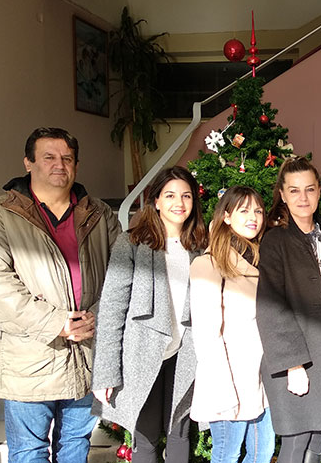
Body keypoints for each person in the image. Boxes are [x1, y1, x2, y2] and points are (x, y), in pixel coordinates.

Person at [0, 127, 120, 463]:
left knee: (76, 447)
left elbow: (122, 275)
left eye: (67, 158)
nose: (60, 164)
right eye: (49, 157)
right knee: (29, 453)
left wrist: (97, 316)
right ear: (28, 163)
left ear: (76, 165)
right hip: (31, 358)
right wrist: (58, 323)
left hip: (87, 357)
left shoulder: (100, 214)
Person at [91, 166, 207, 463]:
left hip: (187, 355)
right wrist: (106, 372)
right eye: (170, 195)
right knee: (145, 440)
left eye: (186, 196)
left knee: (180, 435)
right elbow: (112, 310)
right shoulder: (131, 243)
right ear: (156, 201)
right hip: (142, 356)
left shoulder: (202, 246)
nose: (179, 202)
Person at [255, 156, 321, 463]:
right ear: (283, 195)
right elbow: (270, 306)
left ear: (319, 192)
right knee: (297, 440)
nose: (303, 198)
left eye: (310, 189)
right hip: (297, 357)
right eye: (294, 190)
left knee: (316, 439)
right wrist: (293, 365)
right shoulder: (275, 241)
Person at [189, 186, 275, 463]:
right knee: (227, 454)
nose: (253, 217)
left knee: (262, 453)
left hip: (262, 379)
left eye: (258, 211)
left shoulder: (265, 258)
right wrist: (224, 390)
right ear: (226, 216)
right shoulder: (209, 264)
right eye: (244, 210)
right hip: (229, 381)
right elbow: (206, 335)